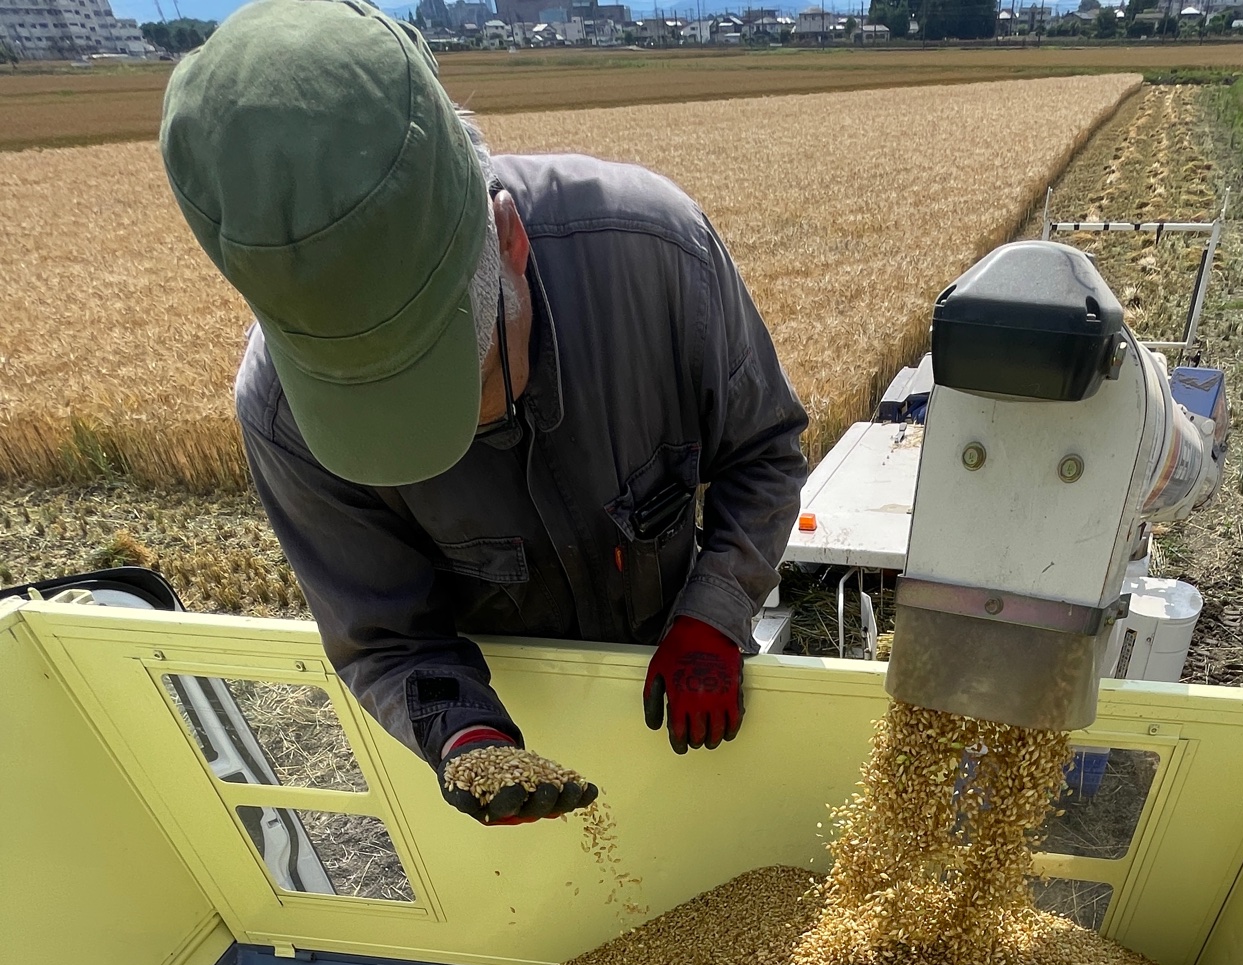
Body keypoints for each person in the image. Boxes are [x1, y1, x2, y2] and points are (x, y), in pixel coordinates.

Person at [159, 0, 807, 825]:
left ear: (509, 239)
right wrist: (462, 736)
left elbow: (766, 450)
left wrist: (717, 608)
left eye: (475, 375)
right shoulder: (283, 420)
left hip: (682, 675)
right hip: (524, 711)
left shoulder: (655, 254)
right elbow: (387, 637)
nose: (467, 433)